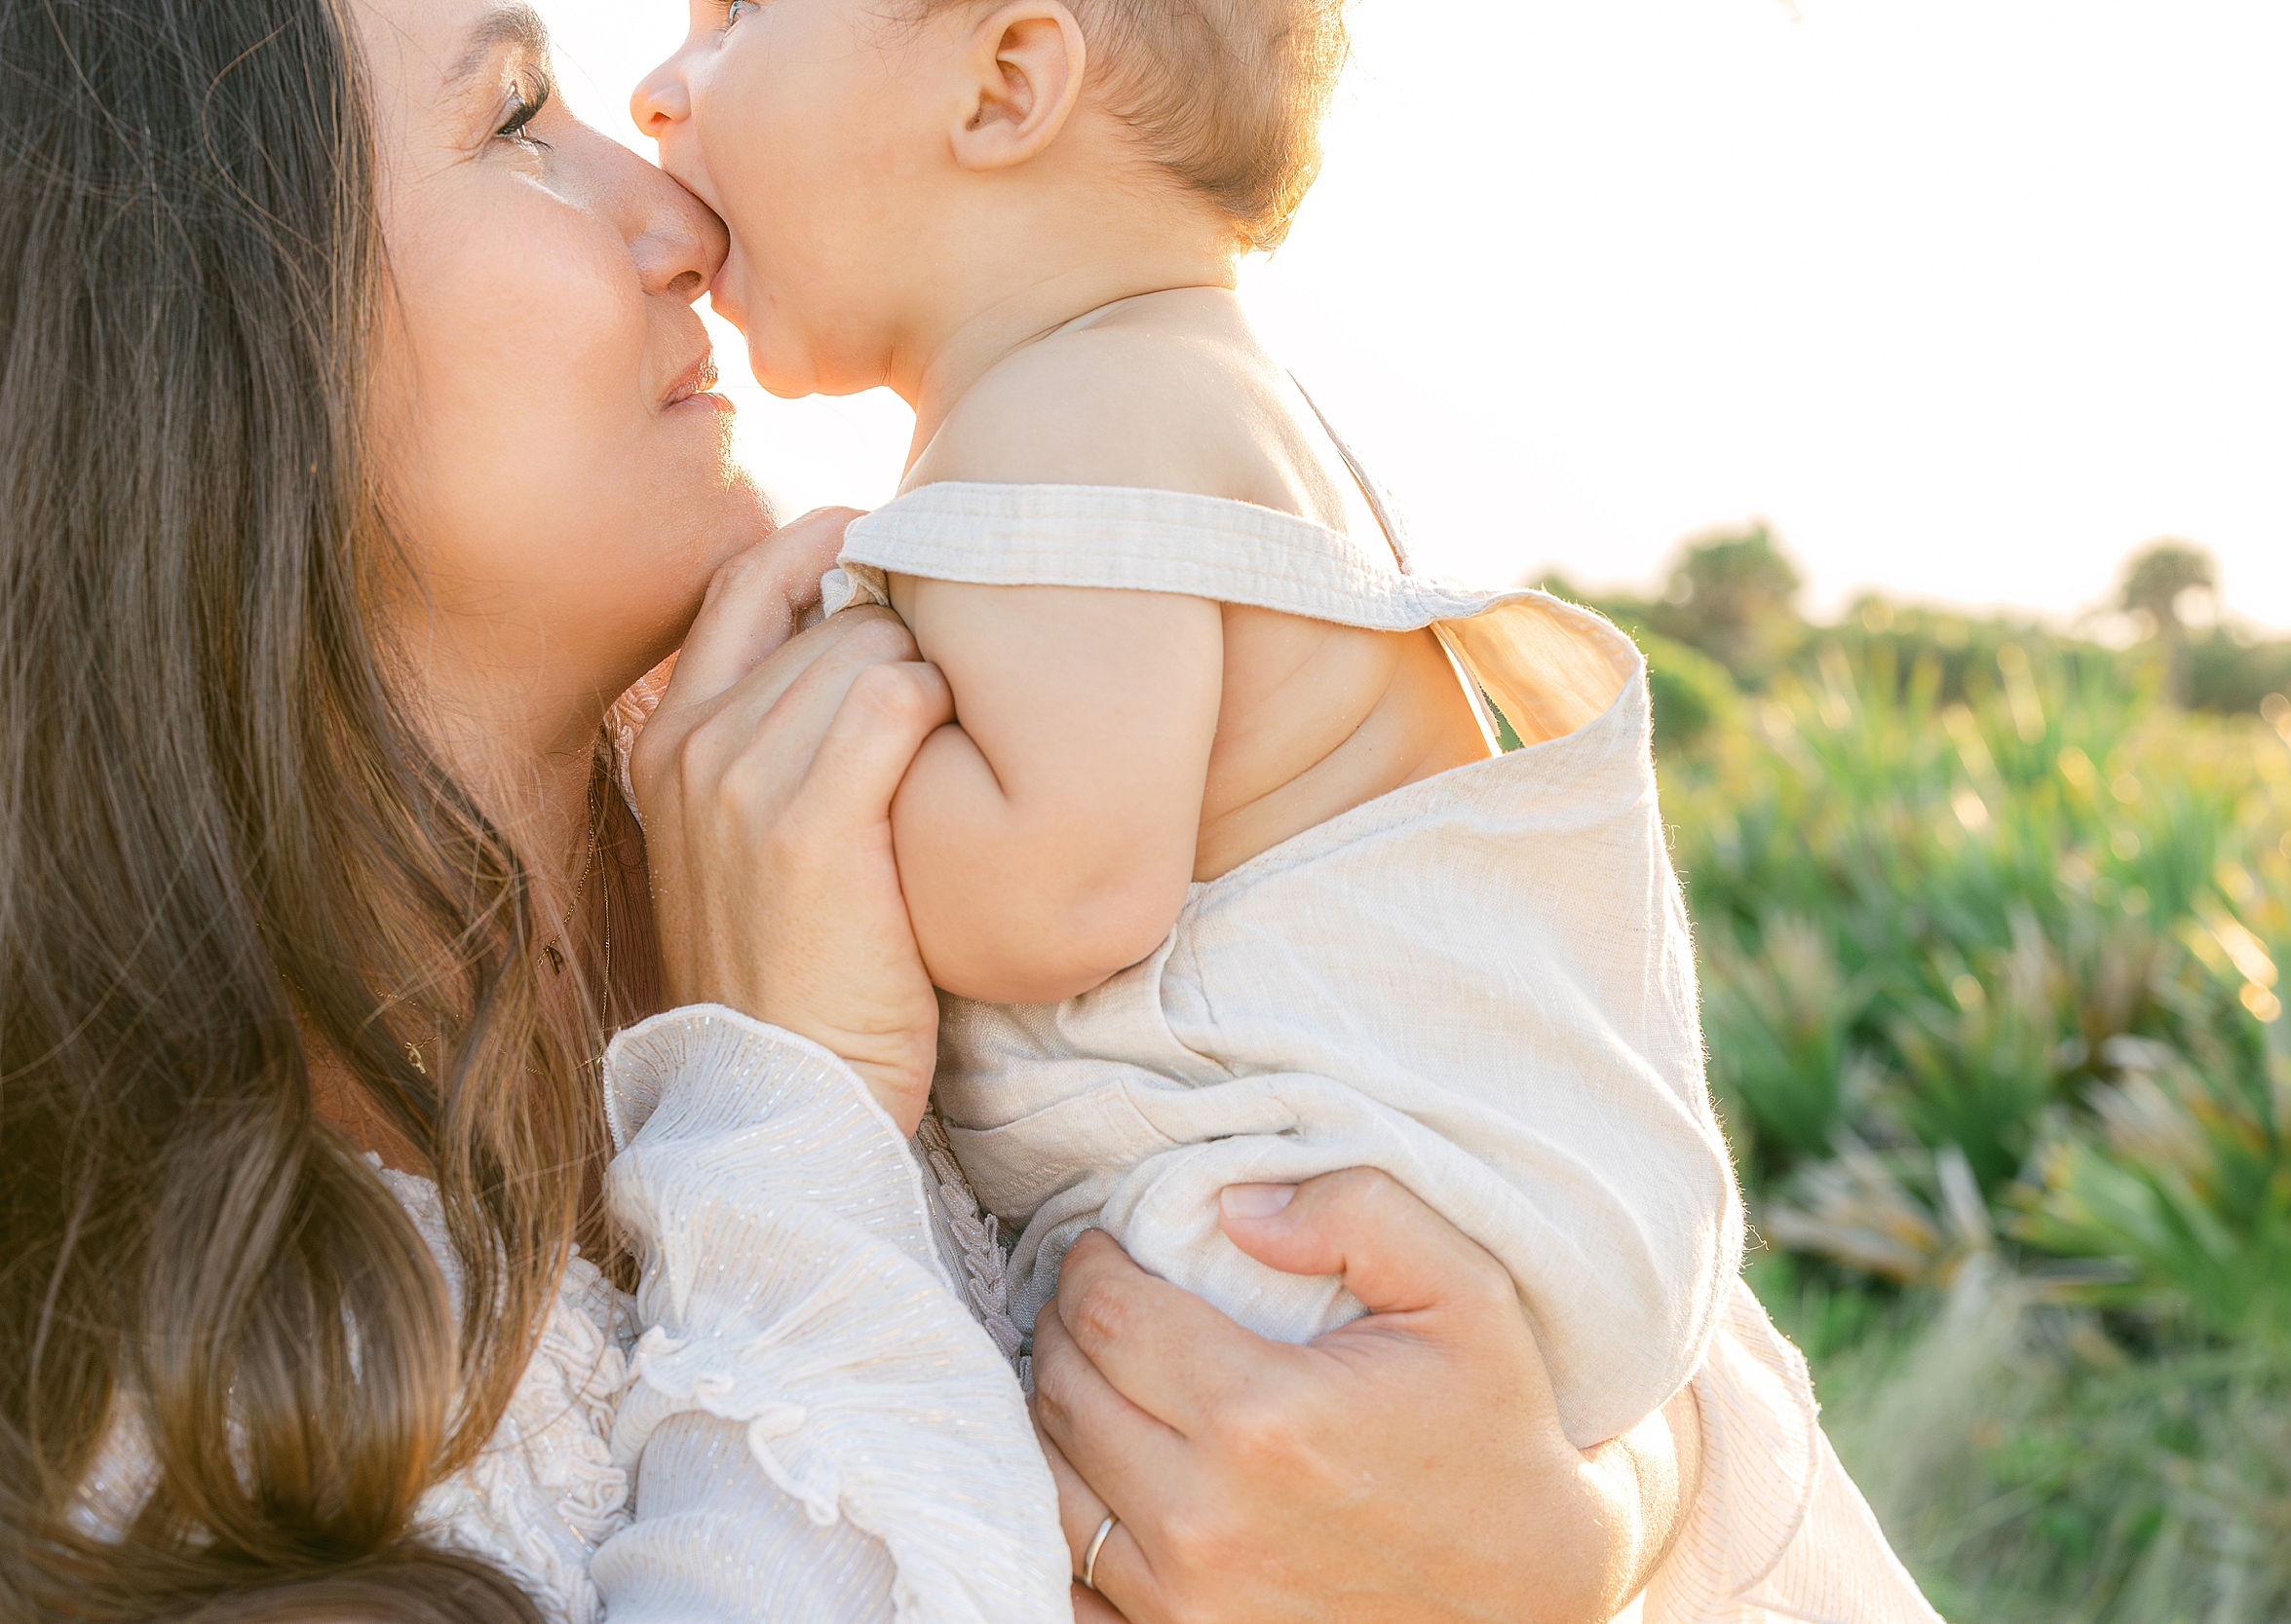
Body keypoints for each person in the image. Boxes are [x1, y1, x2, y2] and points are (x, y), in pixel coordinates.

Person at [1, 0, 1696, 1620]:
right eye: (519, 118)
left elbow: (1505, 1202)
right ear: (189, 354)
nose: (669, 197)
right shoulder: (119, 1409)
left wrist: (1562, 1542)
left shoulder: (826, 771)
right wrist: (783, 1088)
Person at [632, 3, 1941, 1620]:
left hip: (1309, 1234)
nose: (657, 90)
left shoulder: (1061, 425)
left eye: (736, 14)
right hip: (1493, 1220)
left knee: (1075, 1494)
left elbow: (1053, 901)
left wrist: (811, 756)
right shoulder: (1204, 389)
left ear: (1008, 82)